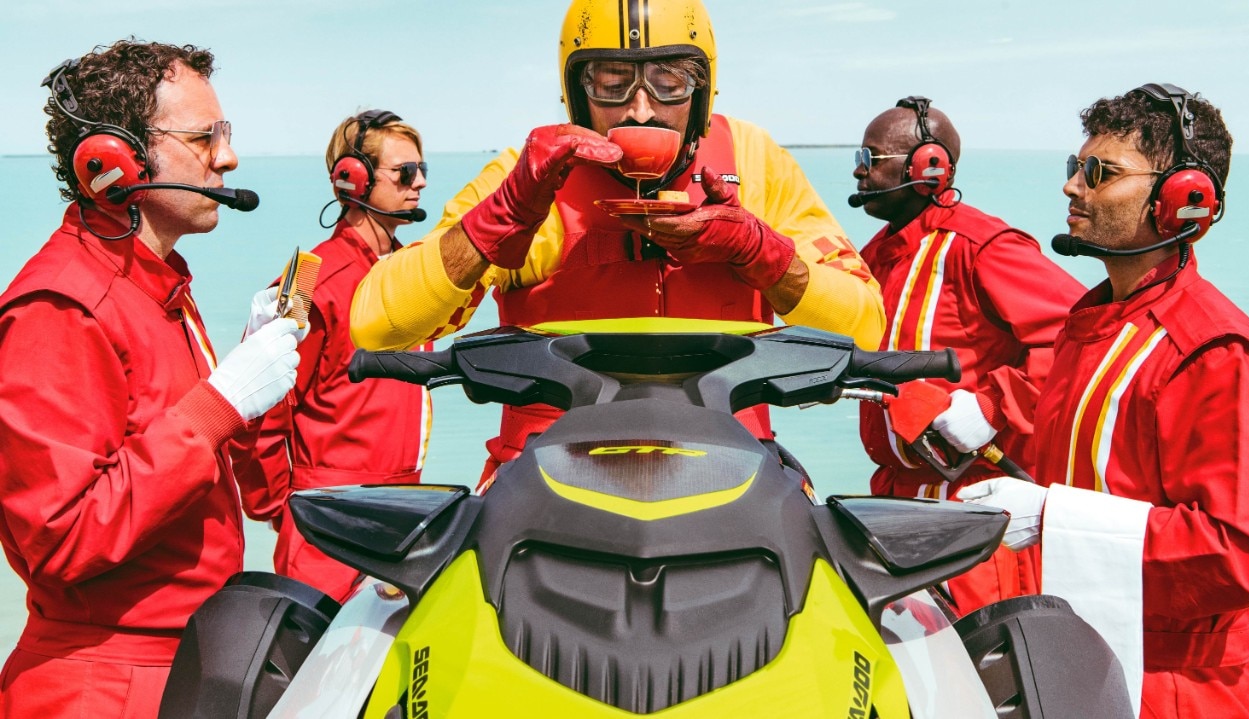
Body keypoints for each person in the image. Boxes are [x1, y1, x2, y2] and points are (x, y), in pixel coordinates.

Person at [350, 0, 885, 487]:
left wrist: (756, 248)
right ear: (575, 92)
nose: (641, 111)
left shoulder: (756, 160)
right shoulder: (528, 172)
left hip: (733, 467)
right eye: (611, 81)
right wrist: (507, 212)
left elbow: (863, 324)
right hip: (546, 476)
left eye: (670, 80)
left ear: (703, 88)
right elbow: (378, 324)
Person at [0, 41, 303, 717]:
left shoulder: (156, 286)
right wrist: (216, 405)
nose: (225, 160)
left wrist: (244, 379)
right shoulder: (62, 306)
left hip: (180, 664)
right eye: (203, 138)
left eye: (223, 137)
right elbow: (61, 539)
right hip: (104, 685)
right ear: (111, 163)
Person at [958, 84, 1249, 718]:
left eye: (1099, 172)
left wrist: (1051, 518)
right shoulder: (1095, 322)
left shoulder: (1213, 351)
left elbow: (1247, 553)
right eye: (1074, 168)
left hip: (1175, 690)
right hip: (1082, 659)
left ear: (1183, 201)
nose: (1072, 187)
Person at [850, 97, 1084, 615]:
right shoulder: (876, 256)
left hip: (972, 510)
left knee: (981, 673)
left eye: (870, 158)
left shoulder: (981, 246)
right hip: (896, 501)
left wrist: (993, 406)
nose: (857, 171)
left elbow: (1079, 336)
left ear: (927, 166)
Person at [231, 110, 434, 602]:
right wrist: (282, 509)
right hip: (326, 525)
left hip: (405, 512)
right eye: (405, 173)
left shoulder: (414, 276)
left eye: (422, 170)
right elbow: (257, 403)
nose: (421, 183)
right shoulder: (304, 280)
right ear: (353, 179)